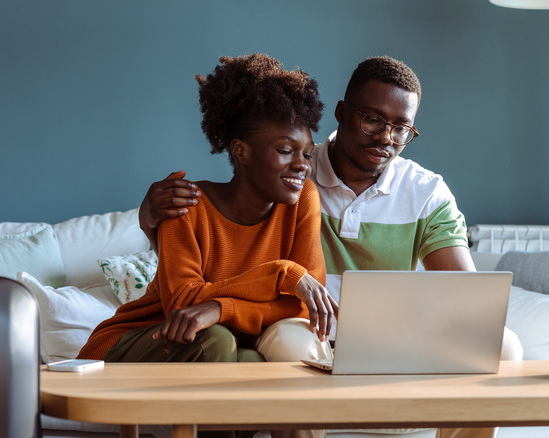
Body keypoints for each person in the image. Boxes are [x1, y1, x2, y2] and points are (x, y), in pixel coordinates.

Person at [137, 56, 522, 438]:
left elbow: (468, 297)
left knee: (500, 343)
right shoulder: (291, 173)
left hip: (393, 339)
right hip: (304, 327)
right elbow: (219, 240)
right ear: (342, 112)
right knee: (290, 340)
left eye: (401, 128)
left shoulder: (425, 192)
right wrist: (149, 217)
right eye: (372, 119)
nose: (386, 138)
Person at [77, 53, 337, 368]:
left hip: (217, 345)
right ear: (241, 151)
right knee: (216, 340)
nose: (301, 165)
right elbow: (183, 304)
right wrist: (283, 274)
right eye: (284, 150)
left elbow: (302, 309)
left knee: (251, 359)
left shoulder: (302, 199)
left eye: (307, 154)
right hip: (141, 341)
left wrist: (219, 309)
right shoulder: (186, 204)